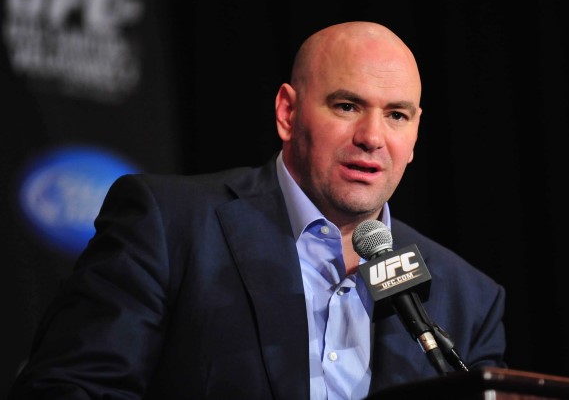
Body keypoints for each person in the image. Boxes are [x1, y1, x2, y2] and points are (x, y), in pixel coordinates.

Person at [8, 21, 507, 400]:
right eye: (347, 106)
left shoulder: (468, 300)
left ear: (415, 134)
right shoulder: (169, 225)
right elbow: (70, 389)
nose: (372, 137)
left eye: (396, 114)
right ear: (288, 113)